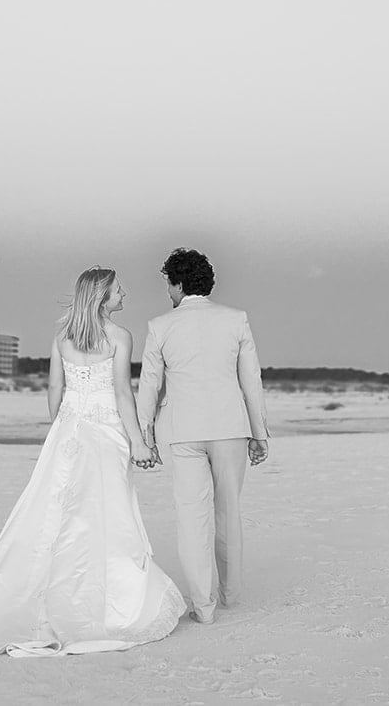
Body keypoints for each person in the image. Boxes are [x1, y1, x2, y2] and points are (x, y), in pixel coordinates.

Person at [0, 268, 187, 656]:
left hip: (68, 430)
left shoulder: (62, 338)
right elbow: (122, 392)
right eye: (119, 289)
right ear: (103, 296)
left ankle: (45, 595)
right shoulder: (119, 337)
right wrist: (138, 442)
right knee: (104, 513)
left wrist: (62, 429)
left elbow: (56, 389)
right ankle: (97, 604)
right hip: (105, 434)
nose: (125, 294)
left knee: (53, 512)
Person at [136, 248, 269, 625]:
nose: (168, 292)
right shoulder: (235, 320)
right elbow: (251, 381)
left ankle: (204, 606)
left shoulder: (161, 326)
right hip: (230, 427)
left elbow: (149, 386)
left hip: (182, 431)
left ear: (178, 283)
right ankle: (230, 593)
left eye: (168, 283)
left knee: (191, 517)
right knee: (228, 511)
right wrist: (259, 433)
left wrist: (144, 435)